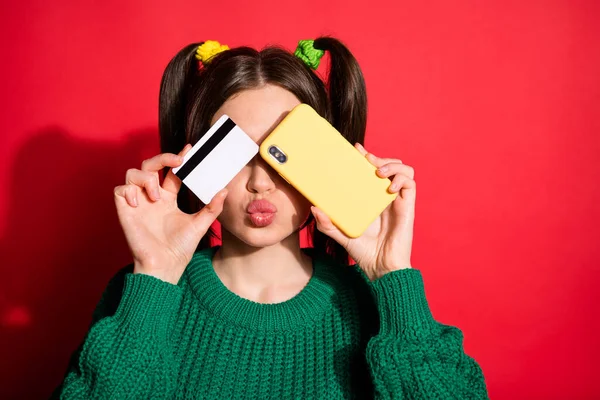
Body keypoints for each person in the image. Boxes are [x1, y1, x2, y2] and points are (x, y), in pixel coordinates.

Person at [52, 37, 489, 399]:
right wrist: (156, 275)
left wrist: (394, 278)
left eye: (282, 154)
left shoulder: (374, 305)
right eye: (236, 153)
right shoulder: (147, 293)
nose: (261, 183)